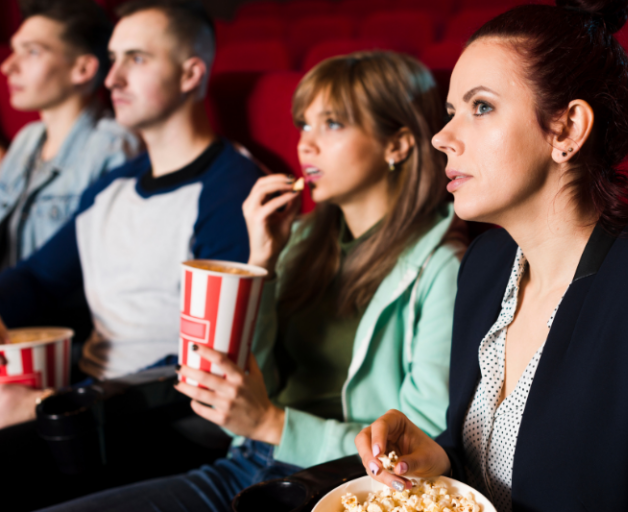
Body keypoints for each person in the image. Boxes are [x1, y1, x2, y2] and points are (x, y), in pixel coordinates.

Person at [356, 1, 628, 510]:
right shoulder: (483, 266)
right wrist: (439, 458)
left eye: (481, 107)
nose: (441, 138)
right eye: (451, 113)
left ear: (567, 129)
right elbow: (501, 470)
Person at [37, 50, 466, 512]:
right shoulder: (299, 238)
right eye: (303, 124)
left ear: (397, 144)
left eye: (333, 124)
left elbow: (420, 446)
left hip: (349, 488)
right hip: (246, 462)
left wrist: (272, 423)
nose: (306, 144)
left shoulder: (443, 265)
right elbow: (234, 379)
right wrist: (260, 263)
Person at [0, 0, 263, 428]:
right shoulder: (111, 186)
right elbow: (39, 278)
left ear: (190, 74)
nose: (113, 78)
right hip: (89, 393)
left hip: (159, 417)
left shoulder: (231, 190)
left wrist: (53, 403)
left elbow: (206, 362)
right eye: (114, 59)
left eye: (137, 59)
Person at [0, 0, 141, 270]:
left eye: (31, 52)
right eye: (14, 49)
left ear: (83, 69)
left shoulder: (113, 148)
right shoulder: (27, 138)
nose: (8, 66)